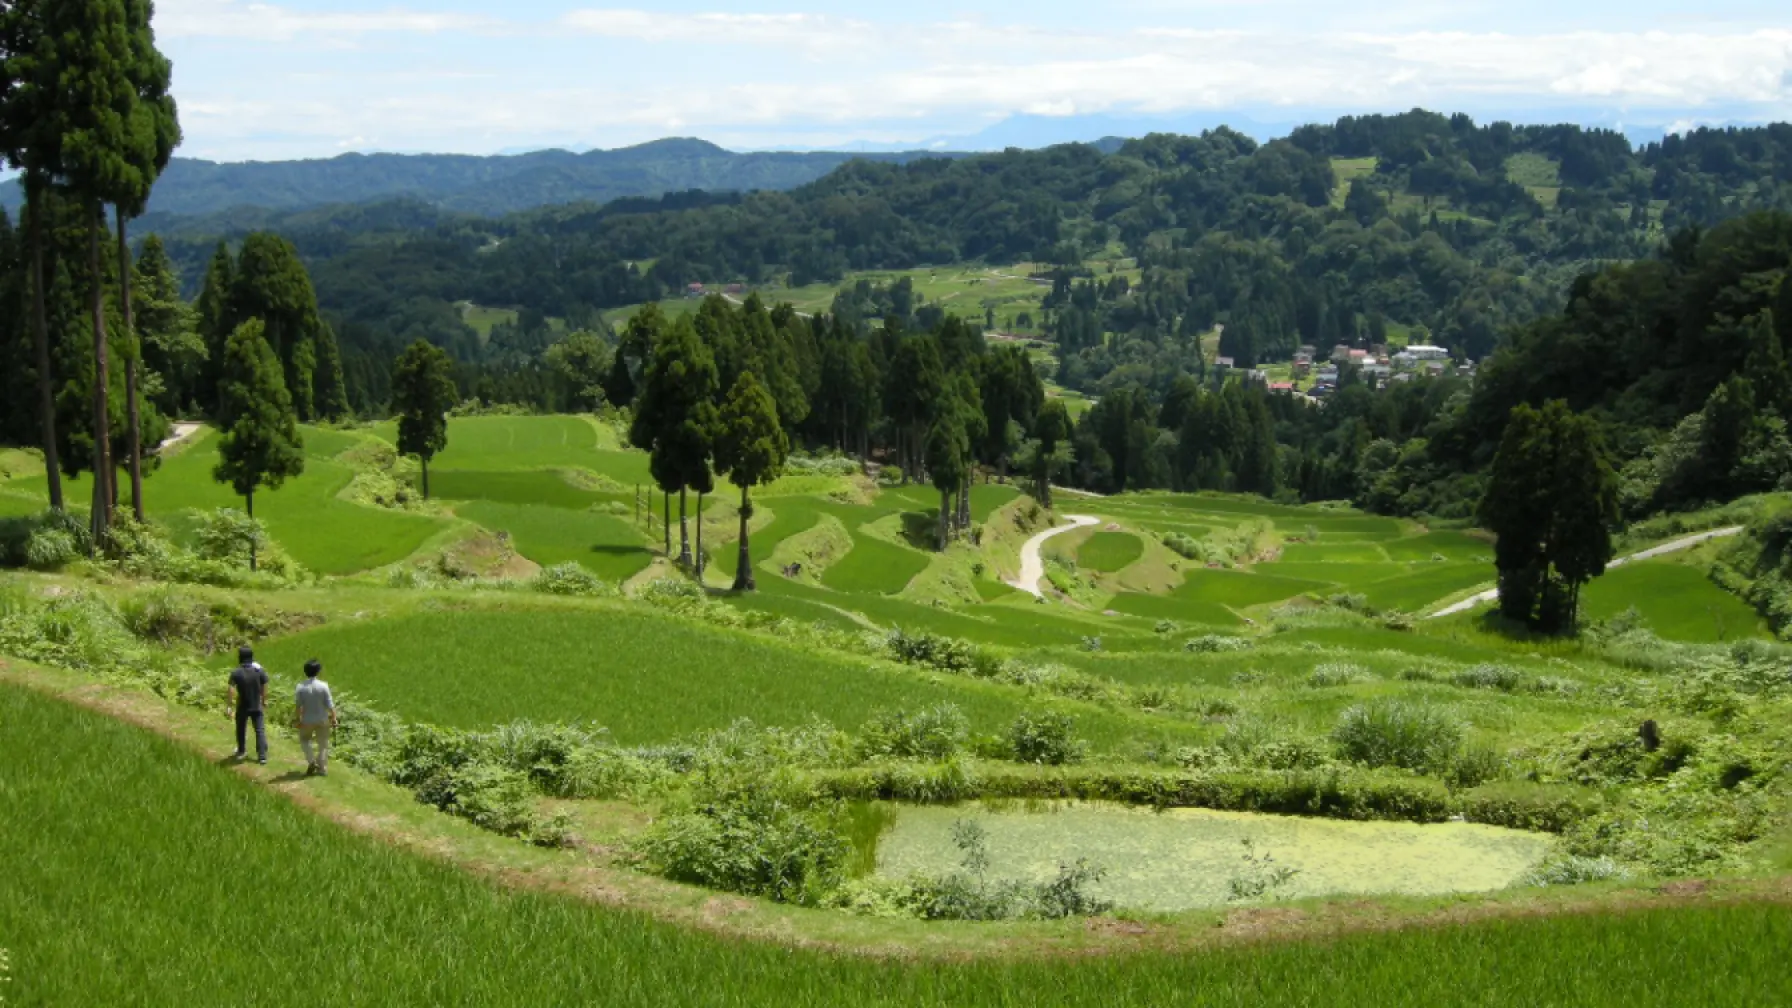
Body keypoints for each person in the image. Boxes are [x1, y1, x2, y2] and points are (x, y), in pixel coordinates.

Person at [294, 658, 337, 777]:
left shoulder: (300, 687)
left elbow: (298, 706)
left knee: (304, 740)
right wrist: (334, 718)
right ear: (318, 671)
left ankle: (311, 760)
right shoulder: (324, 686)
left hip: (307, 720)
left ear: (305, 671)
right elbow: (330, 704)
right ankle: (322, 769)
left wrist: (298, 719)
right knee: (323, 744)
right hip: (322, 719)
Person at [226, 646, 269, 764]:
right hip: (256, 704)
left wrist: (229, 705)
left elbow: (231, 689)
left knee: (241, 728)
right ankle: (262, 756)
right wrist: (264, 700)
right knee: (259, 730)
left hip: (243, 705)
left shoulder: (236, 672)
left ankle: (241, 751)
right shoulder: (259, 671)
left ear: (240, 657)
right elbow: (265, 684)